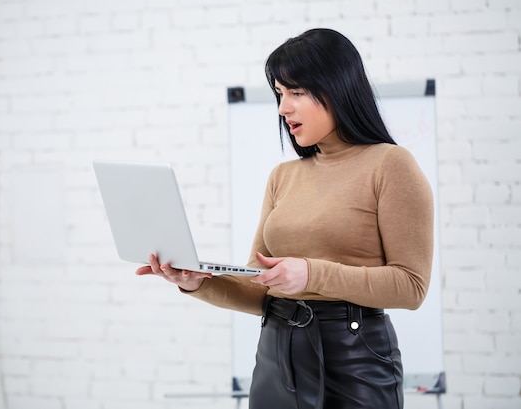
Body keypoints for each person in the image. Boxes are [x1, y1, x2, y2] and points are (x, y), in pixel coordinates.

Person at [136, 28, 434, 409]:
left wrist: (311, 274)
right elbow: (260, 288)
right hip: (278, 356)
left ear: (337, 88)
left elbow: (411, 286)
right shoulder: (283, 176)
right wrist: (197, 283)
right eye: (280, 94)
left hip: (354, 362)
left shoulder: (391, 165)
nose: (283, 108)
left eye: (296, 92)